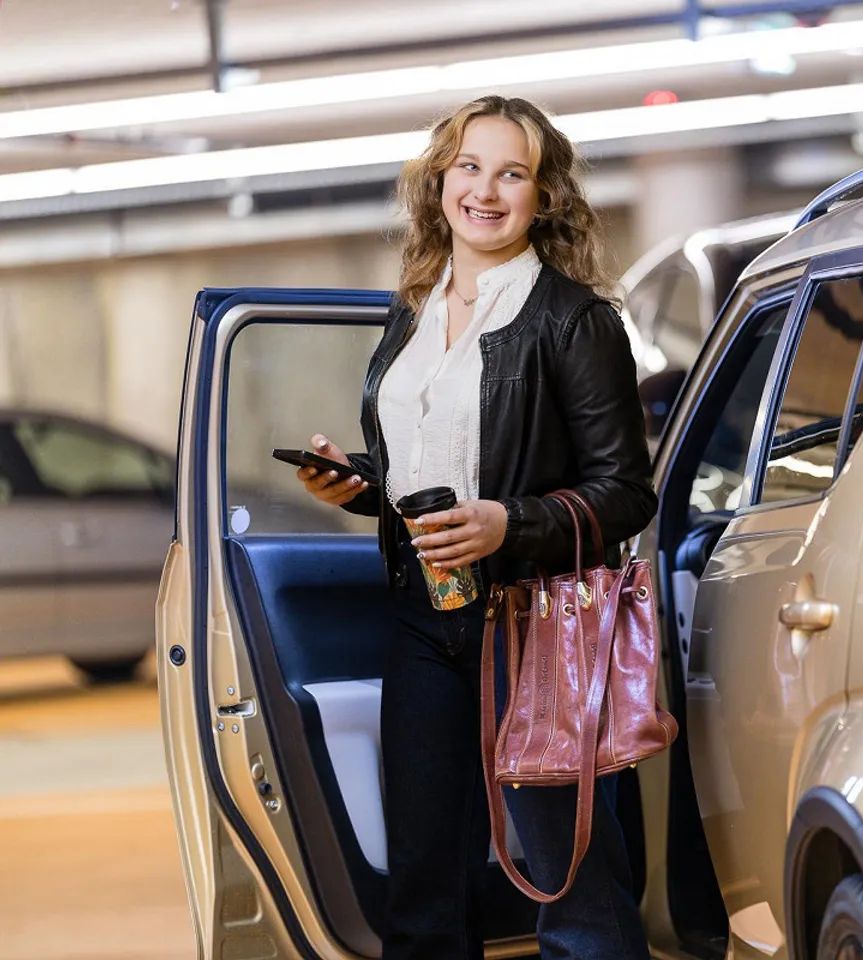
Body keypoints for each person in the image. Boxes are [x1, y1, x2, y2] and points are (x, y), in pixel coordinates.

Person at [293, 95, 656, 959]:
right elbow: (428, 476)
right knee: (423, 878)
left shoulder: (574, 319)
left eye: (512, 173)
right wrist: (360, 489)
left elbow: (626, 492)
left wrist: (509, 525)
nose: (485, 191)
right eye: (469, 167)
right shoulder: (411, 313)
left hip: (536, 624)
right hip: (426, 620)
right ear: (439, 181)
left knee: (572, 883)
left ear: (545, 195)